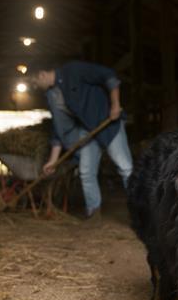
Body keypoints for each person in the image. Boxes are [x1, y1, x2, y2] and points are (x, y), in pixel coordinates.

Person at [30, 60, 133, 219]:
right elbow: (59, 129)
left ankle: (141, 211)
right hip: (87, 130)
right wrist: (52, 160)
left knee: (126, 168)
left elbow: (108, 75)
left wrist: (115, 104)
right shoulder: (52, 95)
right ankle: (93, 212)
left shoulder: (74, 70)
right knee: (86, 172)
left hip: (107, 122)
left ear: (42, 74)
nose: (36, 86)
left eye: (35, 82)